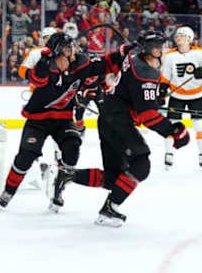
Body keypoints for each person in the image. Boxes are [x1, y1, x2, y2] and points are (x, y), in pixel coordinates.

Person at [47, 31, 190, 227]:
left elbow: (113, 67)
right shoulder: (147, 73)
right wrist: (174, 131)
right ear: (153, 50)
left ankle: (67, 175)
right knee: (141, 165)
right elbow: (147, 116)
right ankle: (109, 209)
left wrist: (151, 99)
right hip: (118, 121)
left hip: (108, 116)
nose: (165, 50)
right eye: (162, 47)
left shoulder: (131, 57)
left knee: (114, 179)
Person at [0, 32, 133, 212]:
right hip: (38, 119)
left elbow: (104, 63)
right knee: (26, 156)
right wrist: (44, 63)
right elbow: (35, 79)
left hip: (63, 118)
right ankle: (8, 191)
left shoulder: (80, 63)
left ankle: (57, 191)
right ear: (59, 53)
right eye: (69, 49)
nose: (74, 51)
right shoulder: (46, 67)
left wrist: (123, 51)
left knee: (72, 149)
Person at [161, 26, 202, 170]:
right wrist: (161, 91)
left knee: (200, 125)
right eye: (177, 35)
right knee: (172, 125)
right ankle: (169, 153)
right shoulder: (169, 56)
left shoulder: (199, 53)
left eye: (182, 35)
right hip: (176, 96)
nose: (178, 37)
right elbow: (165, 78)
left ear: (189, 39)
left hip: (196, 96)